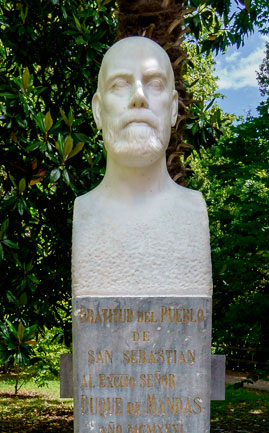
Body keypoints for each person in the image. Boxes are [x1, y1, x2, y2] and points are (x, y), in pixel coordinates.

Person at [72, 36, 212, 298]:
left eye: (155, 84)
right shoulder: (85, 213)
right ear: (98, 111)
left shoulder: (193, 212)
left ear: (172, 109)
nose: (139, 97)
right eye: (120, 84)